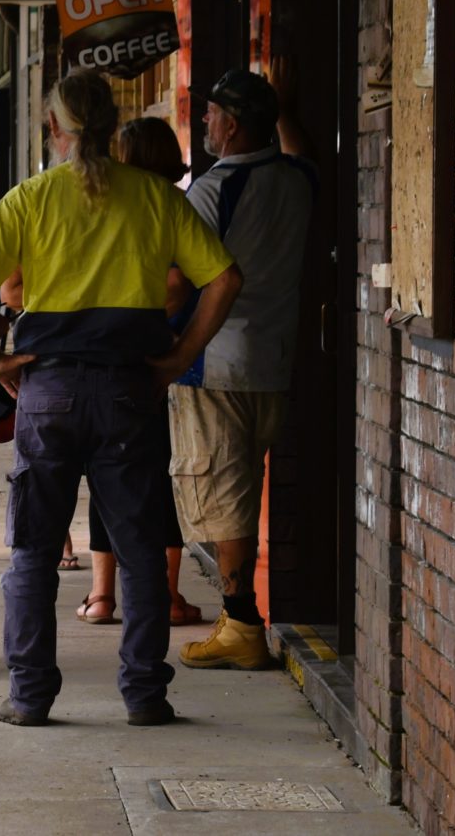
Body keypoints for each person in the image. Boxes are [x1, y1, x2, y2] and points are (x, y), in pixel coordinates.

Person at [0, 69, 242, 727]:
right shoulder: (156, 197)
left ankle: (30, 697)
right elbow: (224, 280)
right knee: (139, 553)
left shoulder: (30, 199)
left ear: (54, 129)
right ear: (111, 127)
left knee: (32, 554)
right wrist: (177, 356)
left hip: (47, 390)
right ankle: (143, 695)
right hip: (128, 392)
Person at [170, 68, 315, 670]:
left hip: (216, 364)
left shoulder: (213, 189)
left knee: (222, 492)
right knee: (243, 486)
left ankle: (241, 622)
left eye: (211, 113)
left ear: (232, 124)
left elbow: (180, 280)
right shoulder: (298, 179)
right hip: (273, 362)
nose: (204, 121)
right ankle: (240, 619)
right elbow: (299, 149)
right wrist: (283, 107)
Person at [36, 117, 202, 626]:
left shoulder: (115, 204)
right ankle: (165, 599)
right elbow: (197, 283)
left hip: (110, 364)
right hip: (156, 367)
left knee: (104, 480)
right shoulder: (167, 206)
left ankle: (103, 594)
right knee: (151, 483)